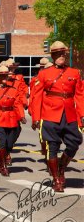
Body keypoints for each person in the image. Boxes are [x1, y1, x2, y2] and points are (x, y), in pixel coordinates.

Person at [32, 41, 84, 192]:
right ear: (53, 56)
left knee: (75, 142)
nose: (61, 56)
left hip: (69, 114)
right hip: (49, 114)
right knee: (52, 147)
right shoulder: (44, 74)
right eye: (58, 54)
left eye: (63, 54)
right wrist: (36, 117)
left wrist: (82, 115)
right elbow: (36, 97)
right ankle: (56, 179)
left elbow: (79, 96)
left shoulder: (74, 73)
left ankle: (61, 167)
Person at [0, 65, 26, 176]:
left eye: (5, 75)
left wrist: (22, 116)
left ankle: (1, 160)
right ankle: (3, 166)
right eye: (2, 75)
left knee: (9, 143)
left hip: (11, 119)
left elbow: (17, 104)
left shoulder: (14, 90)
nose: (4, 77)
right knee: (2, 141)